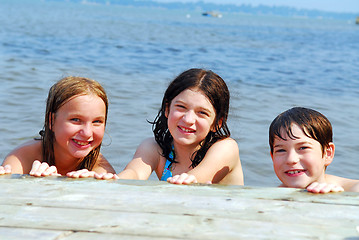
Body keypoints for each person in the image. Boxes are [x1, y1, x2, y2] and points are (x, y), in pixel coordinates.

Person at [96, 68, 244, 185]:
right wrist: (108, 180)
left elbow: (197, 178)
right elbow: (134, 173)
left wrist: (188, 180)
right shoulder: (154, 148)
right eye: (181, 107)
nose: (188, 119)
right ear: (167, 109)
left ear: (217, 123)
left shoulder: (226, 148)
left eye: (202, 113)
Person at [0, 76, 115, 177]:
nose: (87, 133)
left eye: (97, 121)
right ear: (52, 121)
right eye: (76, 120)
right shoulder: (23, 158)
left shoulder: (101, 169)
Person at [269, 107, 359, 193]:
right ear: (272, 156)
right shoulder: (269, 200)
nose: (291, 159)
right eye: (281, 150)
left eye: (303, 148)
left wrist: (338, 200)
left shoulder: (354, 190)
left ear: (328, 153)